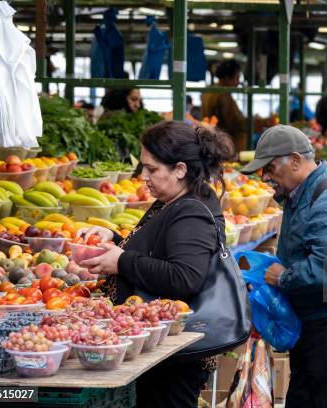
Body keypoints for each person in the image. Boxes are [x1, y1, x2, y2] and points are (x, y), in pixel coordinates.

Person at [79, 121, 235, 407]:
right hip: (162, 346)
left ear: (180, 169)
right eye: (143, 168)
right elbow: (157, 248)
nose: (144, 177)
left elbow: (185, 277)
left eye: (152, 169)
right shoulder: (174, 199)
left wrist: (123, 261)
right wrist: (115, 240)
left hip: (175, 355)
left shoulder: (191, 212)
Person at [240, 125, 327, 408]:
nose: (266, 177)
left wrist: (283, 277)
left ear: (296, 161)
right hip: (317, 322)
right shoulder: (301, 194)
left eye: (270, 168)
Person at [202, 60, 247, 151]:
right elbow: (233, 123)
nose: (238, 82)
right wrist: (258, 123)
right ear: (227, 78)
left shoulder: (208, 92)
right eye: (236, 78)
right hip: (226, 144)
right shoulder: (223, 95)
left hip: (212, 140)